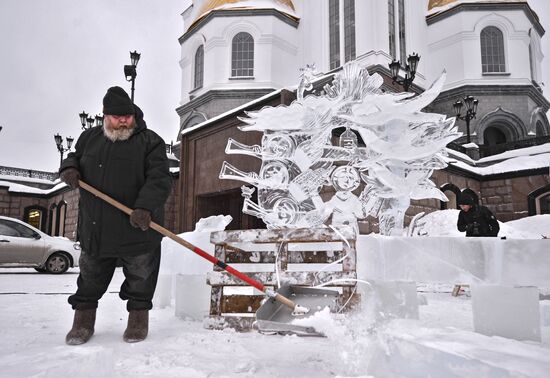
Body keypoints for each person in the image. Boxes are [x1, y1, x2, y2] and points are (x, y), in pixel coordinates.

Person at [59, 86, 172, 345]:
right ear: (105, 115)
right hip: (97, 226)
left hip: (138, 225)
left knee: (141, 277)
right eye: (117, 116)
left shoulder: (150, 142)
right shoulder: (89, 138)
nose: (123, 121)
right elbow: (73, 157)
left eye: (127, 116)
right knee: (90, 278)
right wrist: (69, 168)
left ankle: (137, 322)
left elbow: (160, 179)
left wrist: (145, 207)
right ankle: (83, 323)